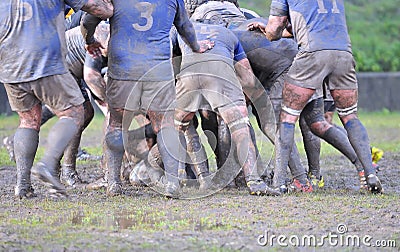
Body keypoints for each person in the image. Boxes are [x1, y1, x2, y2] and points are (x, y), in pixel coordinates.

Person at [81, 0, 213, 197]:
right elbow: (184, 26)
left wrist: (90, 39)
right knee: (166, 125)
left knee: (117, 125)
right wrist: (196, 46)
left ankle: (113, 183)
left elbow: (88, 19)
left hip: (123, 67)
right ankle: (172, 184)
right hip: (157, 68)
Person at [254, 0, 382, 193]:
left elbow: (273, 31)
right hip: (343, 54)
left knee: (287, 118)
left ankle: (279, 182)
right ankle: (370, 173)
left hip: (312, 55)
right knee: (350, 116)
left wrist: (268, 29)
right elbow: (315, 24)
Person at [0, 0, 113, 198]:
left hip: (9, 59)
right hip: (44, 56)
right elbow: (95, 7)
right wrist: (111, 9)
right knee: (76, 111)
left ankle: (23, 186)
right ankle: (48, 165)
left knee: (28, 120)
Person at [172, 20, 280, 196]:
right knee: (240, 128)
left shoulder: (181, 29)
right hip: (220, 71)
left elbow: (166, 55)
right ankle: (254, 181)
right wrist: (246, 101)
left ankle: (174, 182)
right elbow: (248, 77)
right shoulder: (229, 34)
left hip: (188, 75)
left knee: (177, 127)